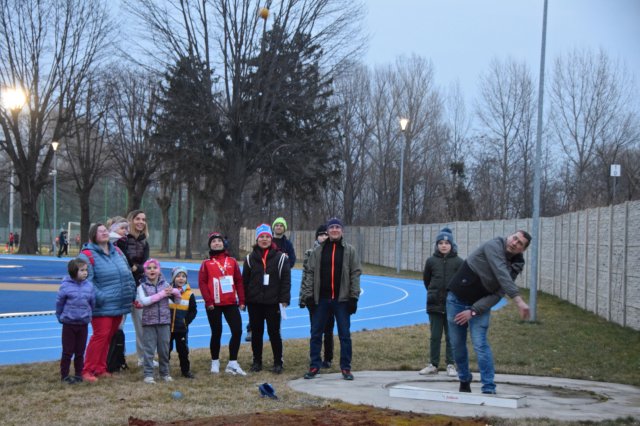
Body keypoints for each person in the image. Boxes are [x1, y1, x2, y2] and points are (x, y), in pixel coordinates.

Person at [447, 230, 532, 394]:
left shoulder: (516, 265)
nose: (514, 243)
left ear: (522, 250)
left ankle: (488, 387)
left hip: (480, 306)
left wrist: (473, 311)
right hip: (456, 299)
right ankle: (464, 379)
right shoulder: (493, 245)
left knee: (480, 344)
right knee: (457, 345)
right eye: (515, 238)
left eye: (520, 243)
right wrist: (519, 300)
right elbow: (501, 273)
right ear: (509, 236)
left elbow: (498, 293)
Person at [301, 218, 361, 381]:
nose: (334, 230)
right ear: (327, 231)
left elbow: (355, 273)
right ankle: (314, 365)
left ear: (342, 230)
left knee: (344, 335)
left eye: (337, 227)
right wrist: (309, 296)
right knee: (315, 334)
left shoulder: (350, 251)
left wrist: (353, 298)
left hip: (341, 301)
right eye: (331, 227)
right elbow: (310, 273)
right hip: (321, 300)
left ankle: (346, 368)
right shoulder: (318, 251)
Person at [78, 223, 136, 383]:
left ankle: (100, 368)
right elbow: (87, 282)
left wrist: (132, 292)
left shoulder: (117, 251)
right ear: (93, 235)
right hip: (102, 305)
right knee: (100, 336)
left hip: (119, 303)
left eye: (105, 230)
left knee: (108, 337)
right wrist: (102, 297)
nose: (104, 233)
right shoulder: (87, 255)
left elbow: (128, 273)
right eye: (100, 231)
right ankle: (87, 369)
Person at [242, 224, 291, 374]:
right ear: (257, 239)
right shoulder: (250, 258)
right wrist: (243, 300)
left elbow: (285, 281)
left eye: (267, 237)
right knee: (256, 333)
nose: (264, 239)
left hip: (273, 303)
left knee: (274, 333)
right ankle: (257, 361)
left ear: (271, 239)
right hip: (255, 303)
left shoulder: (281, 257)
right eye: (261, 237)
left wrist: (284, 300)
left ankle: (278, 363)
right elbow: (245, 281)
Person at [199, 232, 246, 376]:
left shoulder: (231, 261)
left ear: (223, 244)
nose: (217, 243)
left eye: (219, 241)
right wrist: (208, 301)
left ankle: (232, 362)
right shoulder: (206, 263)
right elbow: (202, 283)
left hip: (230, 302)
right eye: (214, 241)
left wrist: (242, 300)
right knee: (216, 332)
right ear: (210, 245)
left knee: (237, 331)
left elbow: (238, 281)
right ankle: (215, 361)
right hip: (214, 304)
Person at [420, 227, 463, 377]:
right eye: (441, 243)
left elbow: (461, 282)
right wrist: (434, 293)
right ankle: (433, 364)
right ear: (437, 245)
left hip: (452, 305)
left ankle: (451, 364)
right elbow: (427, 280)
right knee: (435, 336)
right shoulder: (431, 261)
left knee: (451, 336)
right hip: (435, 304)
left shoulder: (459, 262)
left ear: (452, 245)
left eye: (447, 243)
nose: (444, 245)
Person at [245, 216, 297, 343]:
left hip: (275, 279)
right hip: (259, 283)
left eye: (281, 225)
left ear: (284, 228)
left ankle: (276, 334)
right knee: (256, 313)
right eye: (277, 225)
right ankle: (251, 329)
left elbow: (292, 260)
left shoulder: (287, 244)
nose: (279, 227)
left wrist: (283, 266)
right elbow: (246, 279)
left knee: (273, 319)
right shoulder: (263, 244)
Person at [134, 259, 180, 384]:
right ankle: (148, 374)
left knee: (164, 350)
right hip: (149, 322)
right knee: (149, 350)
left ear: (159, 271)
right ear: (145, 271)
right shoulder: (141, 287)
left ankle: (164, 373)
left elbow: (177, 301)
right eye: (149, 268)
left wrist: (175, 292)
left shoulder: (166, 285)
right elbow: (145, 301)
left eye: (155, 267)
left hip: (164, 321)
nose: (152, 270)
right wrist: (162, 294)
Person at [299, 224, 334, 369]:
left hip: (329, 297)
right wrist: (304, 297)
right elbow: (305, 276)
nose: (324, 237)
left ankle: (328, 357)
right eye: (321, 234)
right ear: (316, 237)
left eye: (326, 234)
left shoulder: (334, 252)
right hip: (314, 298)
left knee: (329, 329)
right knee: (315, 330)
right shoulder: (309, 253)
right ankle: (316, 358)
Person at [55, 258, 95, 384]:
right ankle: (65, 375)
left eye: (86, 270)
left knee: (80, 351)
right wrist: (60, 316)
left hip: (83, 323)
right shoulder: (65, 286)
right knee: (67, 351)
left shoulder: (89, 286)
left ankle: (78, 374)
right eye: (82, 270)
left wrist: (88, 314)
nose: (85, 273)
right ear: (73, 271)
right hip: (69, 324)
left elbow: (92, 302)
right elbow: (59, 303)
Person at [125, 209, 151, 367]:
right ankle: (116, 359)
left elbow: (145, 266)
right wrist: (133, 267)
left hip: (139, 287)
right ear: (131, 220)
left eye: (143, 219)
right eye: (137, 219)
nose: (141, 221)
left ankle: (143, 358)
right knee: (118, 325)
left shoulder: (145, 242)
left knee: (142, 325)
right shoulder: (122, 239)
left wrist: (136, 268)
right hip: (122, 288)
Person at [168, 266, 197, 379]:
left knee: (183, 351)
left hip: (181, 328)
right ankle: (165, 370)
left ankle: (185, 371)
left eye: (183, 276)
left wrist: (186, 321)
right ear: (174, 278)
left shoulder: (190, 294)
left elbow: (193, 311)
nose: (181, 278)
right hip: (168, 328)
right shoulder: (168, 291)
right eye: (178, 276)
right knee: (166, 350)